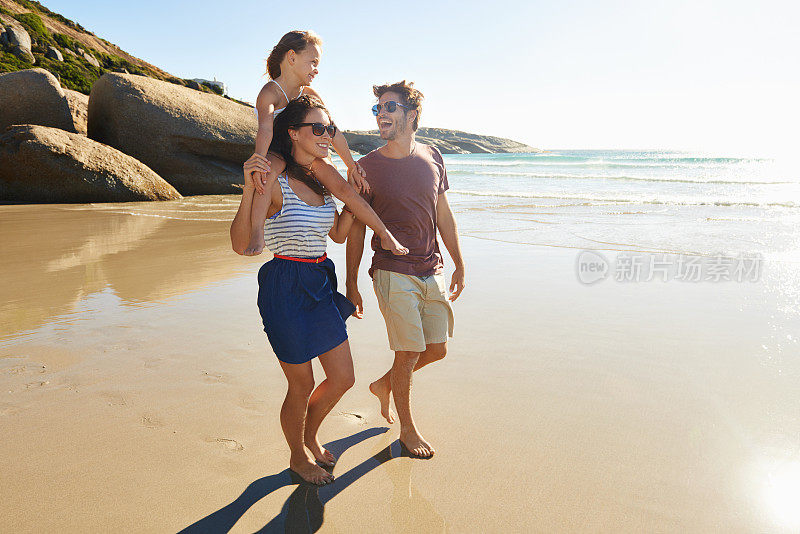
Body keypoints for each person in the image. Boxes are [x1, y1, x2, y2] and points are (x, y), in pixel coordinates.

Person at [230, 95, 408, 485]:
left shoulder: (321, 177)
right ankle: (297, 455)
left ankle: (310, 434)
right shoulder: (273, 180)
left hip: (319, 280)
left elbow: (340, 235)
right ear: (293, 133)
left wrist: (368, 219)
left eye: (329, 128)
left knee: (342, 377)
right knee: (302, 384)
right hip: (285, 283)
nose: (327, 135)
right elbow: (240, 242)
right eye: (318, 128)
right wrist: (248, 190)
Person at [346, 81, 466, 458]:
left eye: (390, 107)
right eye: (378, 108)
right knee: (408, 351)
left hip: (432, 268)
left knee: (437, 348)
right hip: (392, 269)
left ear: (412, 115)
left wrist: (459, 262)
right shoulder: (366, 168)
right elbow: (357, 227)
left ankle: (383, 385)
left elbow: (442, 214)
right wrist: (351, 281)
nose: (381, 113)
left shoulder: (432, 156)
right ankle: (408, 431)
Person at [247, 30, 368, 255]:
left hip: (306, 150)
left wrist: (351, 164)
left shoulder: (309, 92)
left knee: (340, 184)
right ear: (291, 58)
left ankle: (376, 228)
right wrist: (259, 161)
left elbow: (333, 131)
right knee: (268, 172)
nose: (316, 68)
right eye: (313, 62)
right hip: (279, 150)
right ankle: (257, 232)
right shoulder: (270, 92)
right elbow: (265, 129)